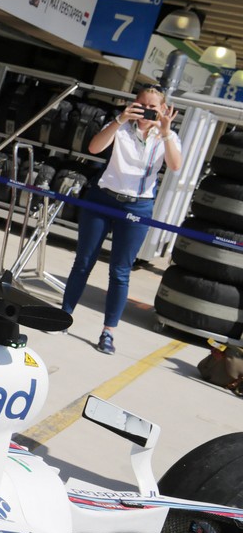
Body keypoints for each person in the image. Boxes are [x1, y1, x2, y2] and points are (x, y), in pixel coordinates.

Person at [60, 85, 182, 355]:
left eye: (154, 108)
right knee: (83, 262)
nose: (147, 112)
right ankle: (64, 316)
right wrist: (120, 119)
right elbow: (94, 148)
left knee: (120, 271)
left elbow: (175, 166)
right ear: (133, 104)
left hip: (138, 207)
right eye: (143, 106)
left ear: (164, 110)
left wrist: (164, 132)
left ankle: (108, 332)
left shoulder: (168, 136)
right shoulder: (121, 127)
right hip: (102, 199)